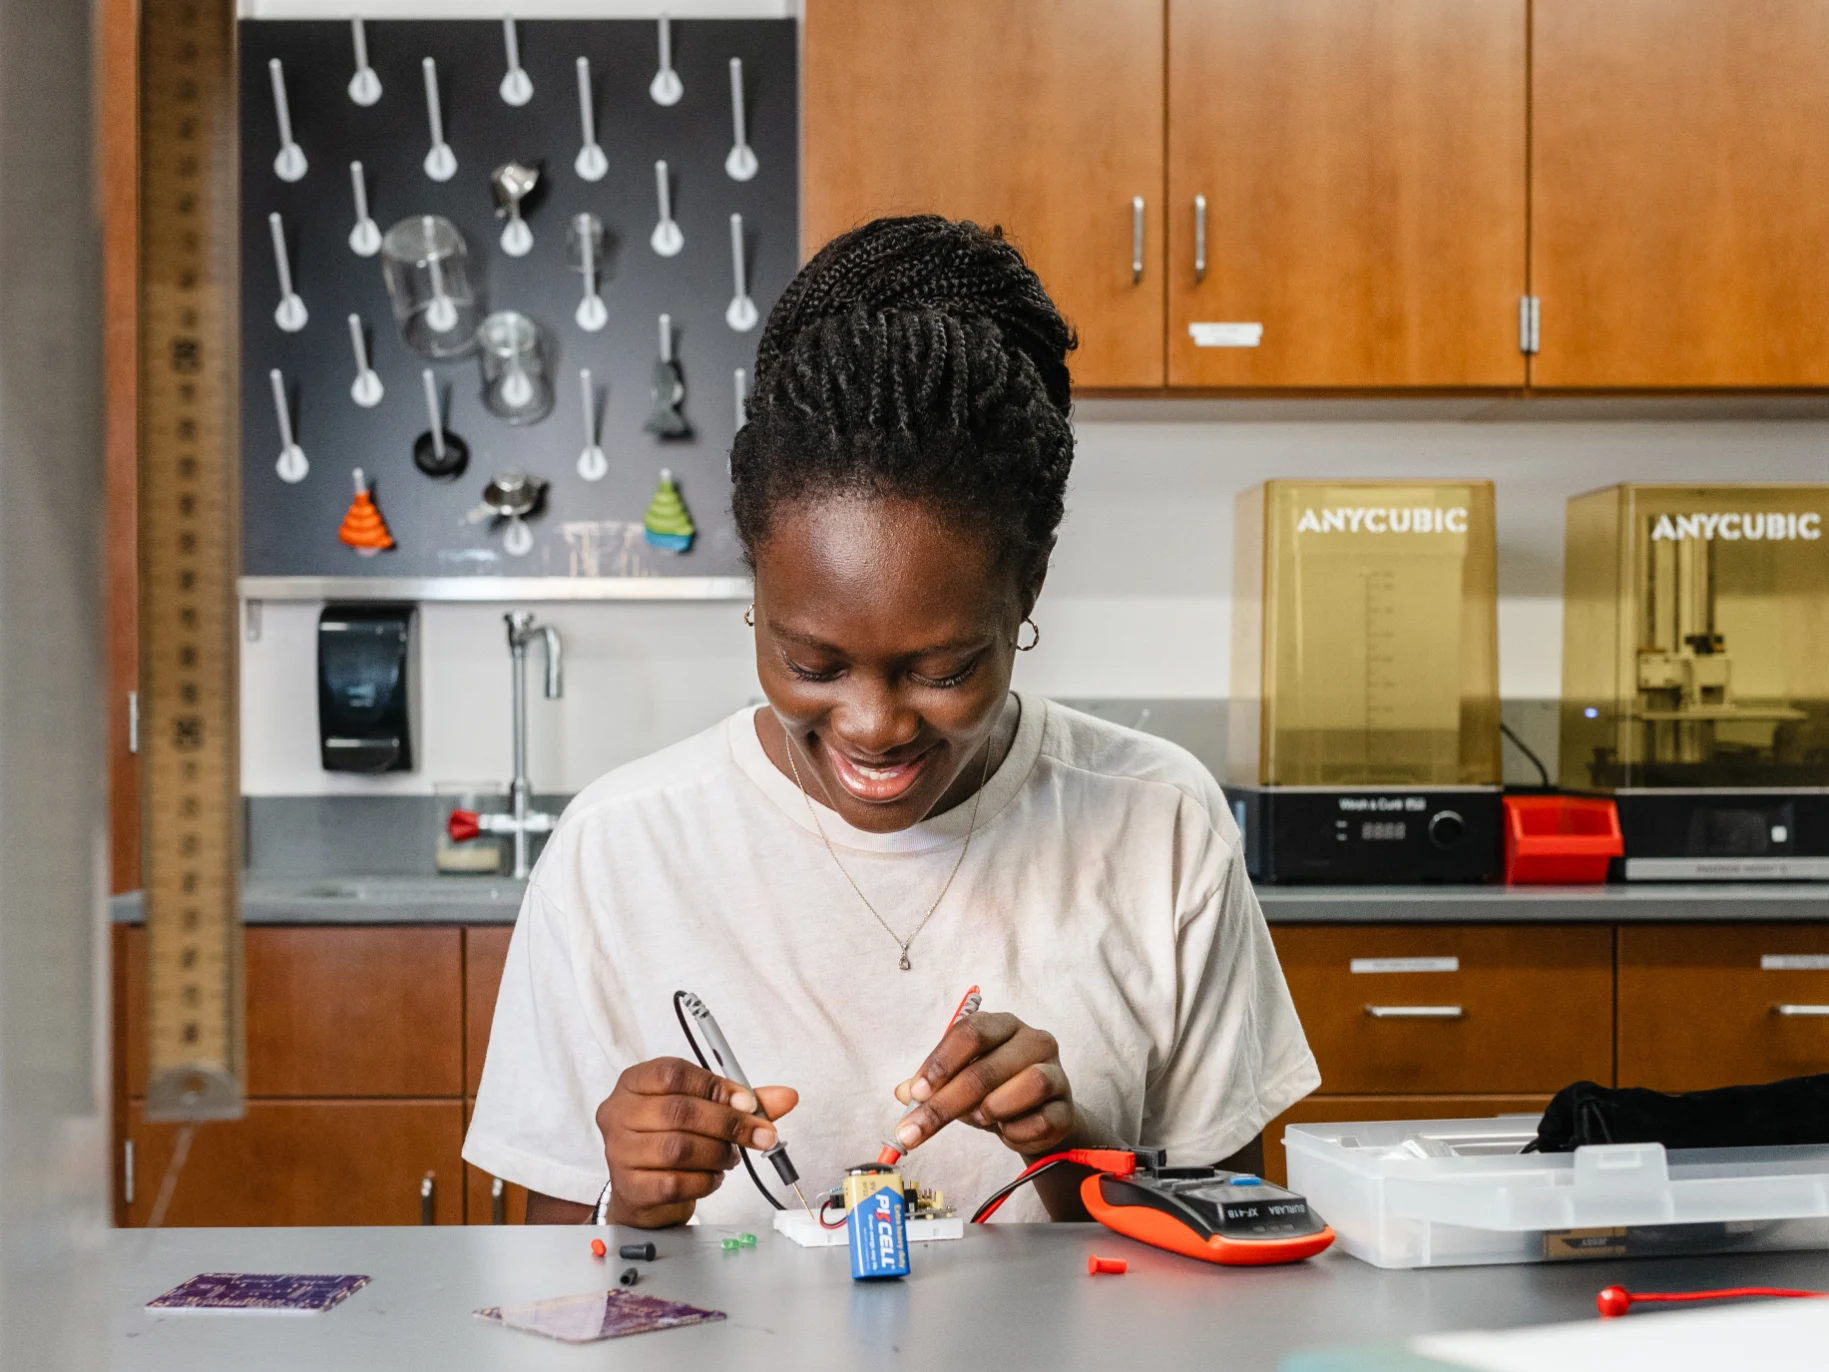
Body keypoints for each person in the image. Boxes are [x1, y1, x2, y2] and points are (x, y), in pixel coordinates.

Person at [462, 216, 1318, 1227]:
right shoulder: (617, 851)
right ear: (757, 583)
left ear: (1028, 587)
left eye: (942, 669)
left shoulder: (1158, 826)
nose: (872, 726)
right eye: (809, 664)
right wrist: (628, 1201)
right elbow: (555, 1272)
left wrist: (1067, 1152)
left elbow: (1236, 1250)